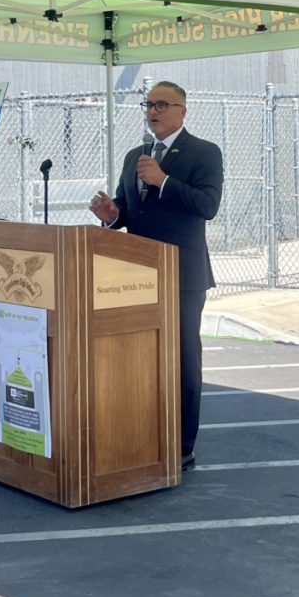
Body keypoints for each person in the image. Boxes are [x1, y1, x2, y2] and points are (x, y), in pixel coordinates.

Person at [89, 81, 223, 472]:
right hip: (137, 274)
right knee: (141, 357)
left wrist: (163, 181)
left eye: (163, 105)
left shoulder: (204, 152)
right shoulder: (136, 154)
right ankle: (146, 432)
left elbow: (208, 205)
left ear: (183, 110)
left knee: (182, 360)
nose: (154, 111)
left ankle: (182, 444)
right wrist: (112, 215)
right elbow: (129, 212)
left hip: (183, 275)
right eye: (149, 104)